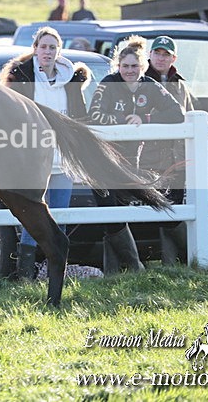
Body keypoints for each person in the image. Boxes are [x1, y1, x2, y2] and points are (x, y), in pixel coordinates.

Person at [0, 26, 94, 279]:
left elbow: (78, 119)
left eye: (52, 47)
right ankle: (25, 271)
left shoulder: (70, 81)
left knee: (59, 217)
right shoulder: (22, 78)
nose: (47, 52)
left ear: (58, 51)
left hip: (62, 161)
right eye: (43, 47)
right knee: (34, 215)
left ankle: (55, 271)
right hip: (33, 160)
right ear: (35, 49)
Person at [87, 35, 184, 274]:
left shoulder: (150, 86)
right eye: (124, 66)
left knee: (122, 211)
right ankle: (130, 267)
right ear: (117, 67)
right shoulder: (108, 84)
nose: (129, 71)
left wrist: (147, 119)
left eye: (134, 66)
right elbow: (94, 116)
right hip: (104, 160)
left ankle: (125, 271)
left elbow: (177, 113)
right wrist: (122, 121)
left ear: (142, 67)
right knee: (110, 211)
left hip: (134, 161)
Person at [143, 35, 195, 264]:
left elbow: (190, 117)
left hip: (178, 157)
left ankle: (172, 262)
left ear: (174, 58)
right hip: (151, 158)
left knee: (175, 208)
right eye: (157, 53)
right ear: (150, 55)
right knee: (163, 211)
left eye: (166, 54)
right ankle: (183, 256)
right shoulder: (141, 81)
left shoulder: (180, 85)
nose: (161, 58)